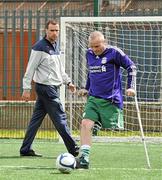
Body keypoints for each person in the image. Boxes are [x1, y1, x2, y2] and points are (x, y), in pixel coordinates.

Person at [76, 31, 136, 169]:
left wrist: (131, 87)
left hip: (110, 99)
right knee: (85, 123)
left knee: (111, 128)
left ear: (105, 42)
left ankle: (98, 122)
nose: (95, 50)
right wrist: (86, 88)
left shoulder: (114, 52)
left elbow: (131, 66)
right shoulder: (89, 53)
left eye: (98, 46)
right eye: (92, 46)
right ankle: (84, 159)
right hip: (93, 98)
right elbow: (91, 72)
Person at [20, 20, 79, 157]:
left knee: (36, 120)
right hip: (46, 89)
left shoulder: (56, 46)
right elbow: (30, 69)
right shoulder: (39, 48)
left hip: (52, 87)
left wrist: (68, 82)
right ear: (46, 31)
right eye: (52, 30)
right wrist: (26, 88)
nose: (55, 33)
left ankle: (25, 149)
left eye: (56, 30)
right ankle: (73, 148)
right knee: (60, 117)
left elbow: (59, 69)